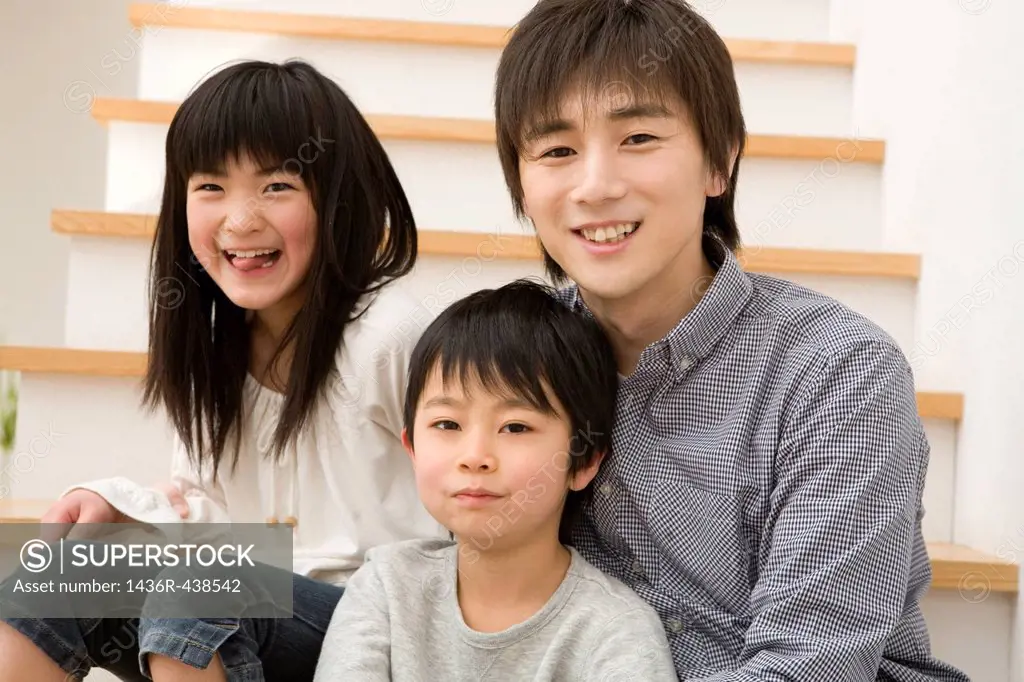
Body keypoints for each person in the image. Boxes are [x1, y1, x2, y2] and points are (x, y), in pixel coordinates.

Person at [490, 0, 970, 680]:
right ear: (522, 183)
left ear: (719, 162)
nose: (595, 186)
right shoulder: (508, 355)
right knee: (275, 607)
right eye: (558, 151)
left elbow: (809, 667)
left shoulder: (839, 371)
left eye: (639, 139)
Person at [0, 59, 444, 681]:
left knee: (200, 587)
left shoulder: (390, 337)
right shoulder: (217, 340)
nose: (239, 220)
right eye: (210, 187)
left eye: (277, 186)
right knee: (61, 574)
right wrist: (125, 506)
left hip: (385, 630)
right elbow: (209, 510)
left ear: (340, 198)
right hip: (259, 610)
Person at [311, 280, 678, 681]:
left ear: (584, 461)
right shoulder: (386, 585)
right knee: (235, 587)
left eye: (516, 427)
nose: (475, 457)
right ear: (411, 448)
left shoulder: (616, 629)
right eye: (447, 424)